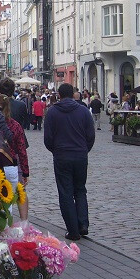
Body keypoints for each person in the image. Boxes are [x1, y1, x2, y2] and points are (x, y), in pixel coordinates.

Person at [43, 83, 96, 241]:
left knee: (65, 192)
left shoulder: (52, 112)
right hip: (80, 154)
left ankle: (73, 230)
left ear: (59, 95)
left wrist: (56, 150)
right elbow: (91, 135)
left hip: (62, 155)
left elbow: (48, 139)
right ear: (73, 94)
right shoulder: (83, 111)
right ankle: (83, 224)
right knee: (80, 189)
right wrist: (84, 149)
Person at [0, 94, 30, 219]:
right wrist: (25, 172)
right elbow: (21, 150)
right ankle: (24, 222)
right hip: (11, 163)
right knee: (19, 193)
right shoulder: (15, 125)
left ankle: (3, 226)